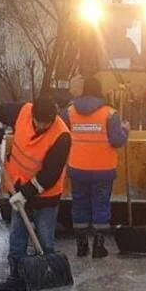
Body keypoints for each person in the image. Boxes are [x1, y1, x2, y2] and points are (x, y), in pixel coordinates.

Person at [0, 95, 72, 291]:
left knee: (44, 234)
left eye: (47, 122)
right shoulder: (22, 112)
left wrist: (26, 194)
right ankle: (16, 275)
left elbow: (49, 175)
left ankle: (46, 275)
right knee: (18, 232)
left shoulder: (62, 135)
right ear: (33, 114)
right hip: (18, 185)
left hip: (46, 193)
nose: (42, 125)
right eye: (38, 121)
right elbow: (0, 111)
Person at [61, 76, 129, 258]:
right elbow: (116, 141)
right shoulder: (110, 113)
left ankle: (81, 245)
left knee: (79, 205)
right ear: (100, 92)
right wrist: (126, 131)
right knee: (101, 206)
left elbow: (62, 135)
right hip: (103, 170)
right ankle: (99, 246)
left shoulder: (69, 112)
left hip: (77, 168)